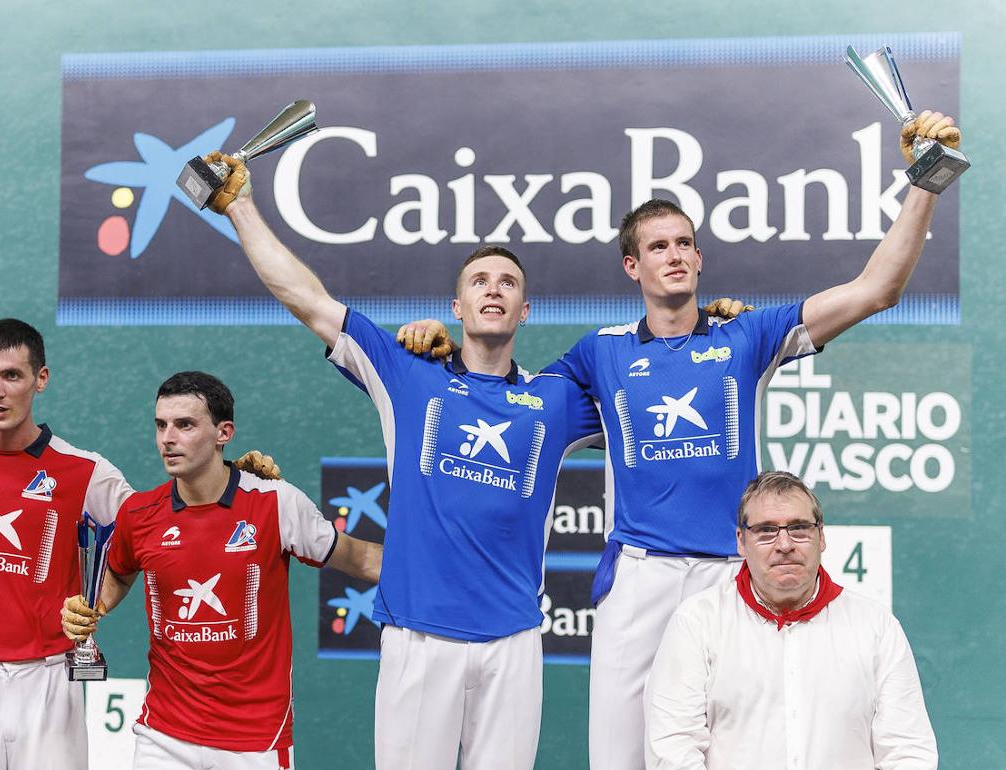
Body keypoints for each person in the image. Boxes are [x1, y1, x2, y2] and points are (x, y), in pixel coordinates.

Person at [401, 110, 961, 770]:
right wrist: (436, 352)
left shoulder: (746, 338)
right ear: (634, 266)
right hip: (638, 582)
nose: (674, 254)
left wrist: (926, 178)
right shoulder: (598, 354)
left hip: (729, 576)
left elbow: (877, 289)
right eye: (658, 246)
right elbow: (509, 401)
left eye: (684, 243)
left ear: (699, 258)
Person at [202, 152, 604, 770]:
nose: (493, 289)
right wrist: (239, 205)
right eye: (479, 281)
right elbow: (308, 299)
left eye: (508, 283)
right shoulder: (406, 372)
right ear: (457, 306)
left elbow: (652, 399)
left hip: (514, 644)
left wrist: (714, 330)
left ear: (526, 312)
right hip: (418, 640)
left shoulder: (556, 401)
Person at [0, 319, 277, 770]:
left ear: (40, 380)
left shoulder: (85, 471)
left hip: (48, 679)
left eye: (12, 376)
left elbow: (157, 524)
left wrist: (229, 478)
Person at [60, 371, 382, 769]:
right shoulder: (139, 514)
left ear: (223, 432)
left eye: (185, 425)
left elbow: (364, 559)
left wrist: (449, 571)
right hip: (163, 737)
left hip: (255, 743)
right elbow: (120, 573)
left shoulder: (274, 502)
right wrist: (93, 607)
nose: (168, 438)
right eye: (161, 425)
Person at [644, 471, 938, 769]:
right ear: (741, 542)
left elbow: (909, 752)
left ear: (821, 536)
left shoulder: (876, 627)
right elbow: (672, 748)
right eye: (765, 531)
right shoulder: (697, 622)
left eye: (799, 529)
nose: (784, 544)